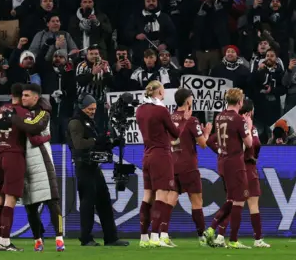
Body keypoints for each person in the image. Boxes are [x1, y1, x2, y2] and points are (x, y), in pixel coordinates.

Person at [0, 83, 50, 251]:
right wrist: (47, 137)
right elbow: (33, 134)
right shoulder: (23, 112)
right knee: (10, 200)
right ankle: (5, 241)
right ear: (22, 96)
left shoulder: (1, 109)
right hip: (13, 156)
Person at [67, 94, 130, 247]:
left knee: (104, 202)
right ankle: (86, 238)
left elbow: (98, 144)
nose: (92, 111)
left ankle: (111, 237)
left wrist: (112, 143)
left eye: (94, 109)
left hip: (94, 166)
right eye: (89, 109)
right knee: (87, 203)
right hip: (83, 166)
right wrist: (97, 140)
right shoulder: (75, 122)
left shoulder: (90, 122)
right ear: (82, 107)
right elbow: (78, 144)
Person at [203, 88, 254, 249]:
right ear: (240, 102)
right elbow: (249, 144)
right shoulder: (239, 120)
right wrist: (249, 126)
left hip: (222, 161)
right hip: (235, 163)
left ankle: (212, 230)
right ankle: (232, 240)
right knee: (239, 200)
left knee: (231, 199)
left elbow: (214, 140)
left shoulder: (219, 116)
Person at [163, 89, 212, 246]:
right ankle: (201, 237)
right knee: (197, 201)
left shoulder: (170, 118)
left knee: (170, 199)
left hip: (172, 165)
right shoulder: (191, 120)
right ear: (188, 101)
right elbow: (203, 144)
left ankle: (163, 234)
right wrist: (207, 132)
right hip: (188, 166)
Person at [136, 80, 183, 247]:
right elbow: (175, 132)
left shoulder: (140, 110)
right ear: (160, 93)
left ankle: (143, 238)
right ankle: (155, 236)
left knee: (147, 195)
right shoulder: (161, 110)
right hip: (161, 155)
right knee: (161, 195)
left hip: (147, 155)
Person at [20, 90, 65, 252]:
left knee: (52, 201)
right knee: (30, 205)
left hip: (42, 161)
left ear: (35, 97)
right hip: (25, 162)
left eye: (26, 95)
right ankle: (38, 239)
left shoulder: (43, 113)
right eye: (22, 95)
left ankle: (59, 238)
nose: (23, 98)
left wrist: (21, 123)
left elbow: (34, 129)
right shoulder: (22, 113)